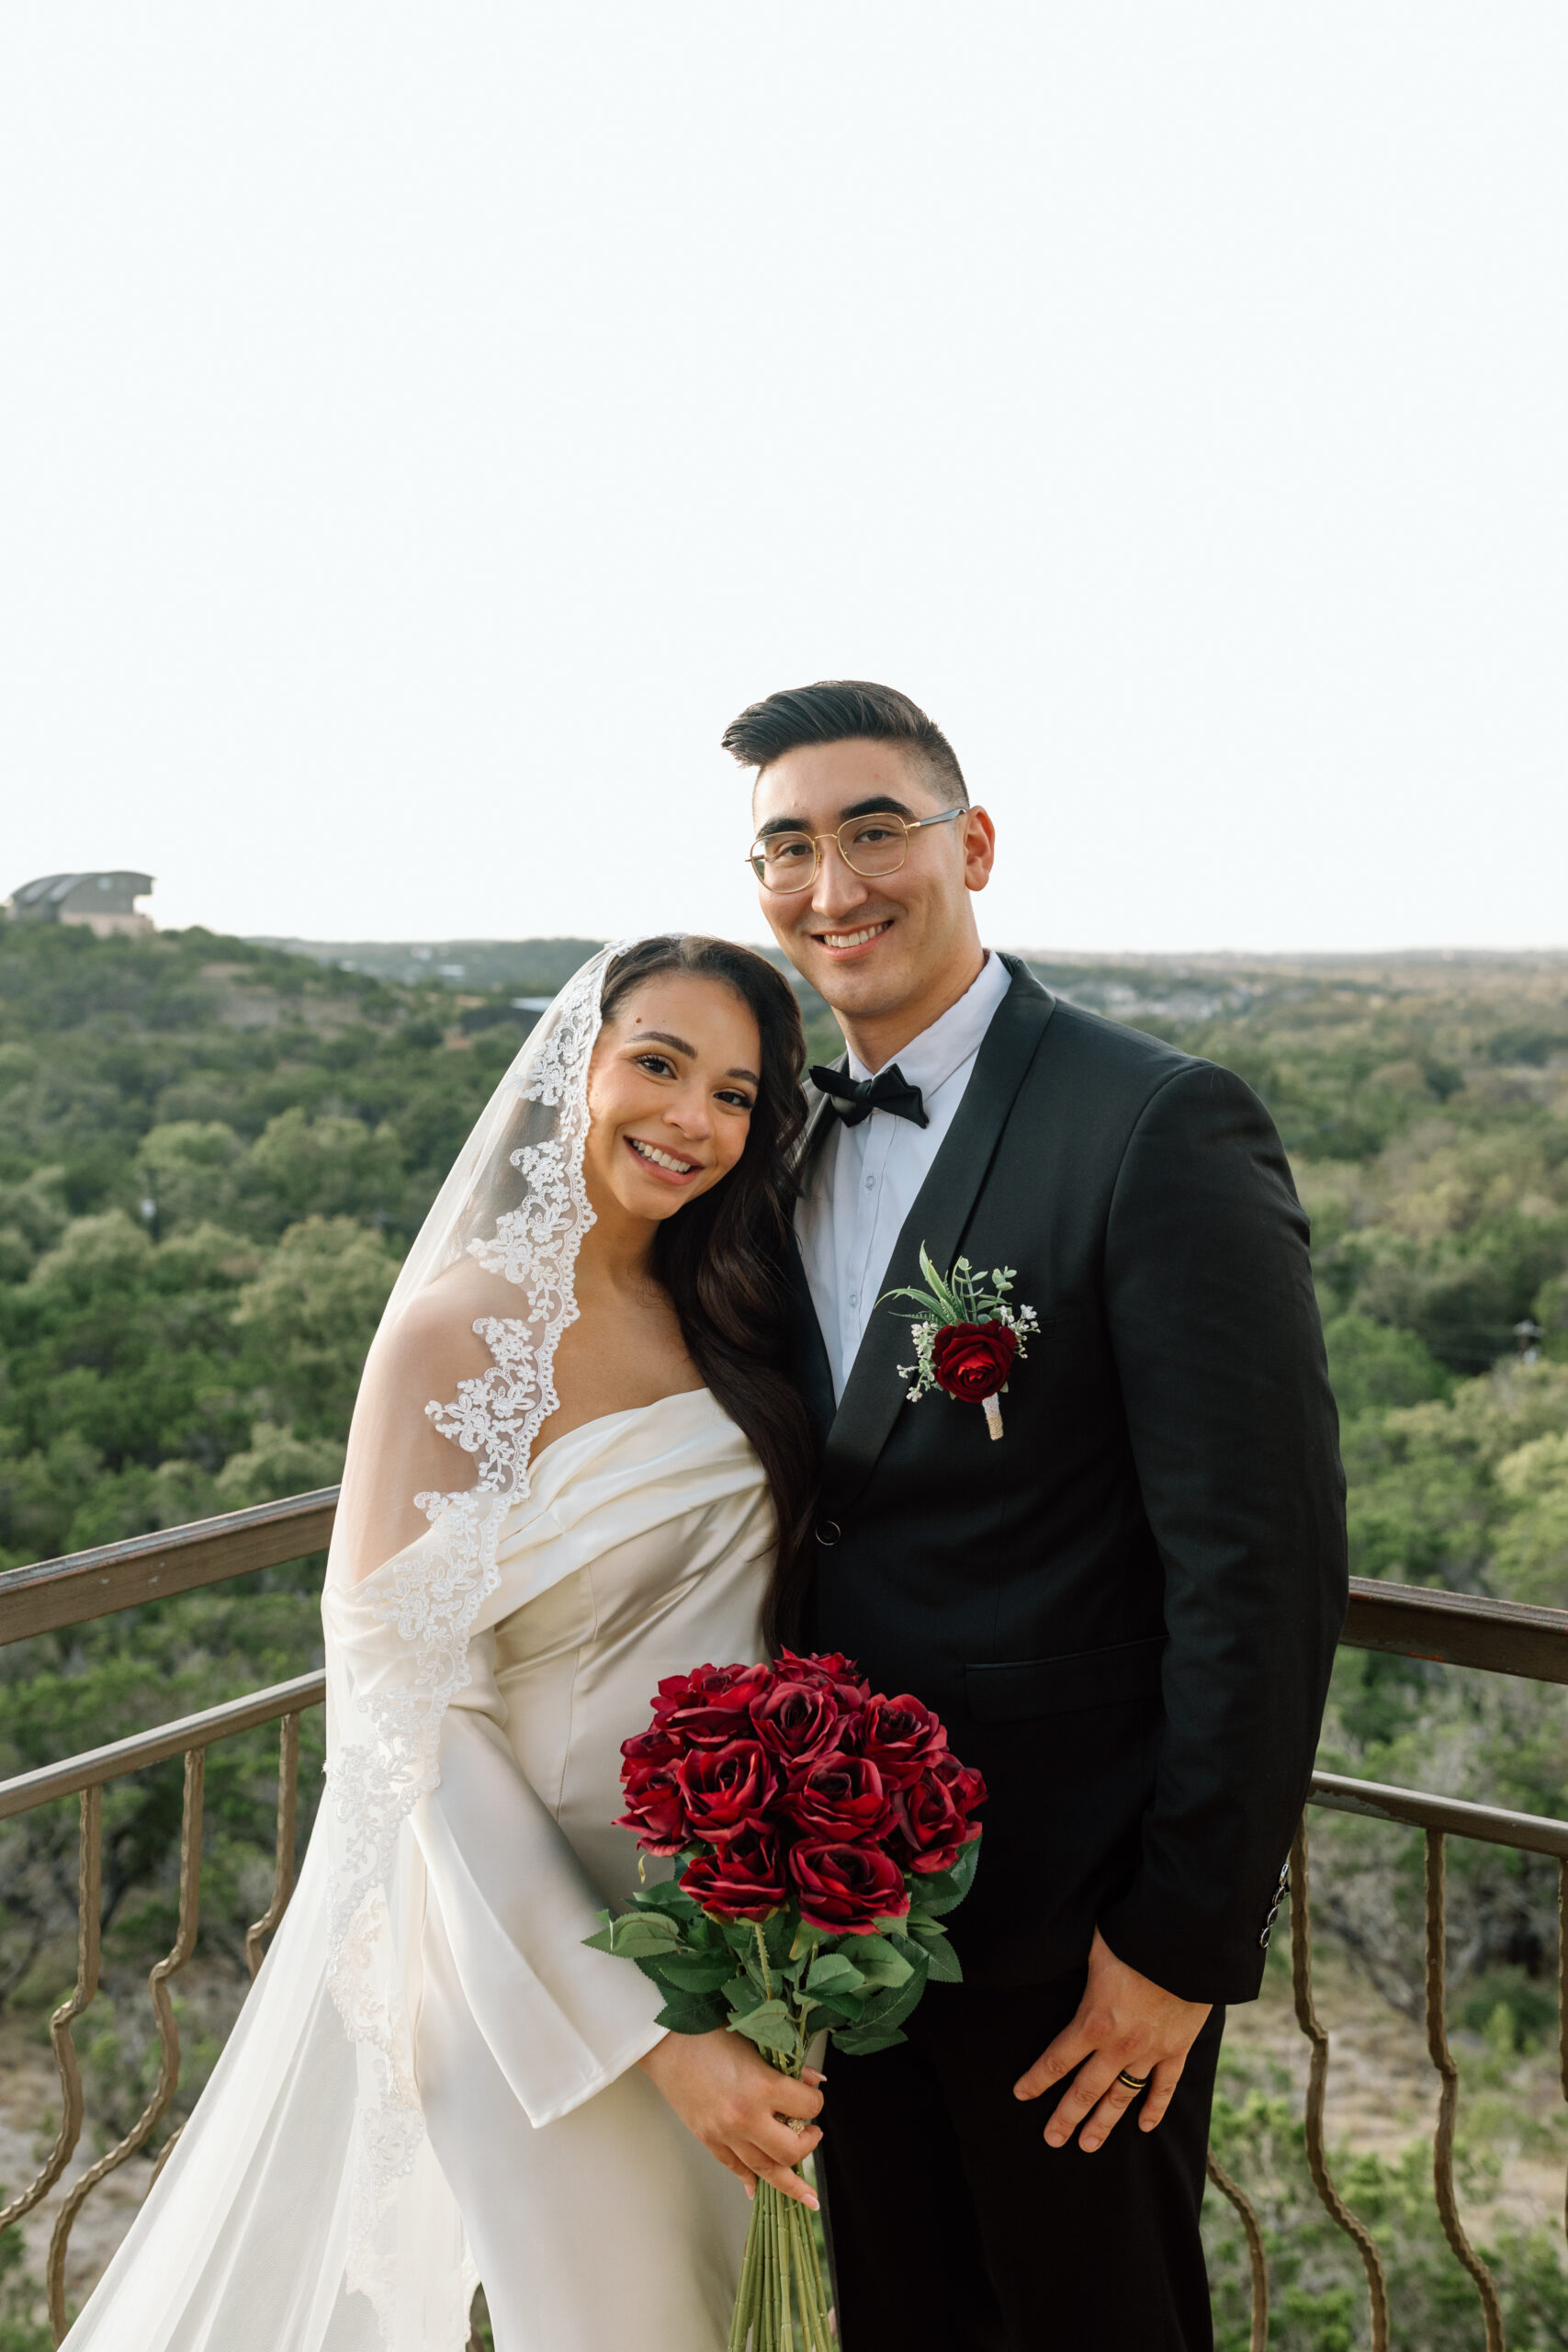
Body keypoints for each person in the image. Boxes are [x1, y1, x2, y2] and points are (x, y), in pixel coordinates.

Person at [60, 935, 827, 2352]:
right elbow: (403, 1716)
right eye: (658, 1064)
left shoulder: (739, 1310)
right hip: (542, 1973)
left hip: (753, 1933)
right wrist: (653, 2028)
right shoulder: (457, 1336)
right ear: (575, 1069)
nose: (691, 1120)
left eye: (736, 1093)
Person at [726, 679, 1348, 2351]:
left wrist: (1180, 1940)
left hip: (1077, 1930)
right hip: (835, 1906)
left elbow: (1262, 1566)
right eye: (789, 848)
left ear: (972, 844)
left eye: (875, 832)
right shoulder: (764, 1133)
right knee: (905, 2317)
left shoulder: (1156, 1121)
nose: (833, 887)